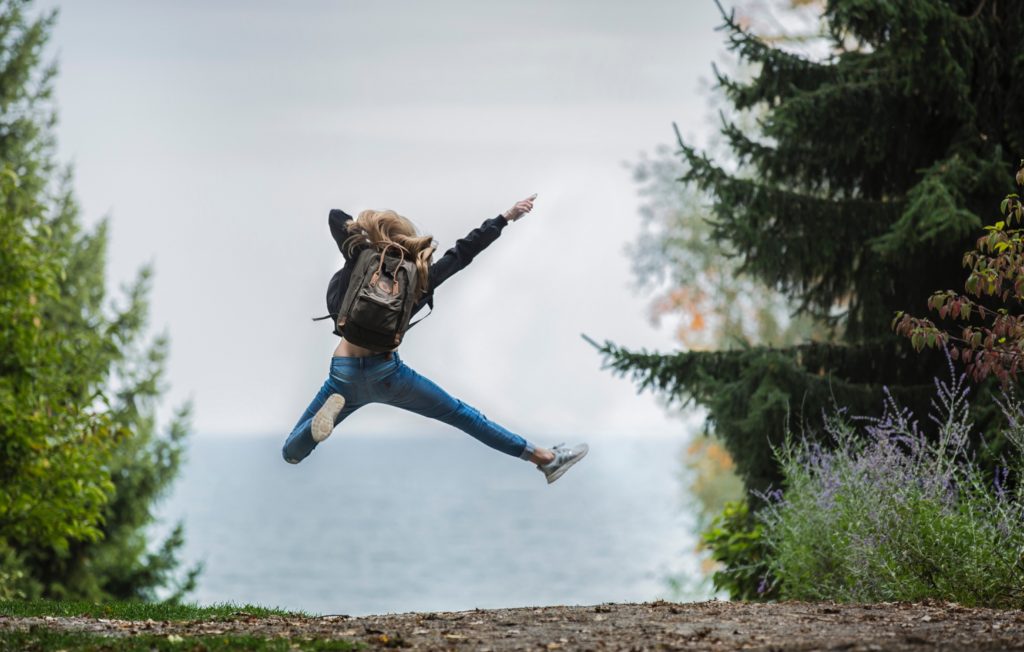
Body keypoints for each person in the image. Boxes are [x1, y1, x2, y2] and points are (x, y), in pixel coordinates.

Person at [282, 193, 589, 484]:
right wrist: (505, 217)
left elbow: (336, 217)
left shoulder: (360, 257)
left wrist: (369, 235)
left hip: (344, 373)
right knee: (464, 416)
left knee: (291, 453)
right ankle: (545, 459)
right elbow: (463, 253)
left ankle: (313, 430)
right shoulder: (418, 276)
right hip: (388, 375)